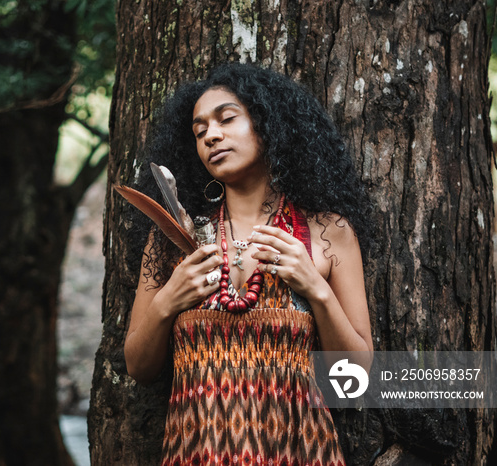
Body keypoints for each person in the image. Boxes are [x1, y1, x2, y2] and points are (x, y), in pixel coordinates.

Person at [123, 62, 374, 466]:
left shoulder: (328, 233)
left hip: (299, 452)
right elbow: (138, 366)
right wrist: (168, 300)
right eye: (199, 130)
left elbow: (357, 381)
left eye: (226, 119)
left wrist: (317, 290)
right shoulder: (174, 239)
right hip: (195, 452)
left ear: (266, 123)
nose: (211, 136)